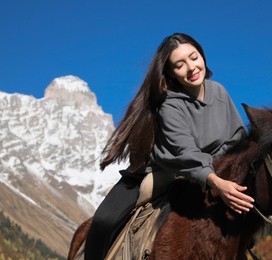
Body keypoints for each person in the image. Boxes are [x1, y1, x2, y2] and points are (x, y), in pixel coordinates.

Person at [84, 32, 254, 259]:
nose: (191, 68)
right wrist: (216, 182)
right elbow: (184, 152)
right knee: (104, 220)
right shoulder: (168, 104)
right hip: (168, 172)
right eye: (180, 64)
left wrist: (227, 171)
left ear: (202, 56)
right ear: (171, 72)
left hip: (214, 171)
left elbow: (236, 138)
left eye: (194, 57)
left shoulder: (219, 92)